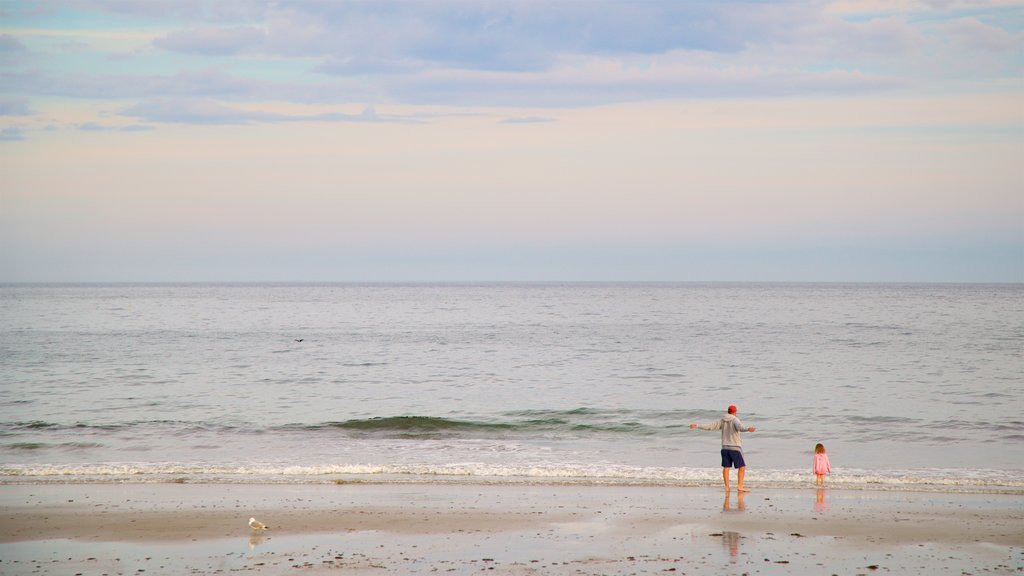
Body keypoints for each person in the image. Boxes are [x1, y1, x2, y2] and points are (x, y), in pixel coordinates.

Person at [690, 405, 756, 492]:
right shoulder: (735, 419)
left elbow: (711, 426)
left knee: (726, 467)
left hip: (724, 447)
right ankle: (740, 486)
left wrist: (697, 425)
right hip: (735, 447)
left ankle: (727, 487)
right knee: (742, 467)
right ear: (735, 412)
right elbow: (740, 428)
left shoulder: (722, 420)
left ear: (728, 411)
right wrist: (748, 429)